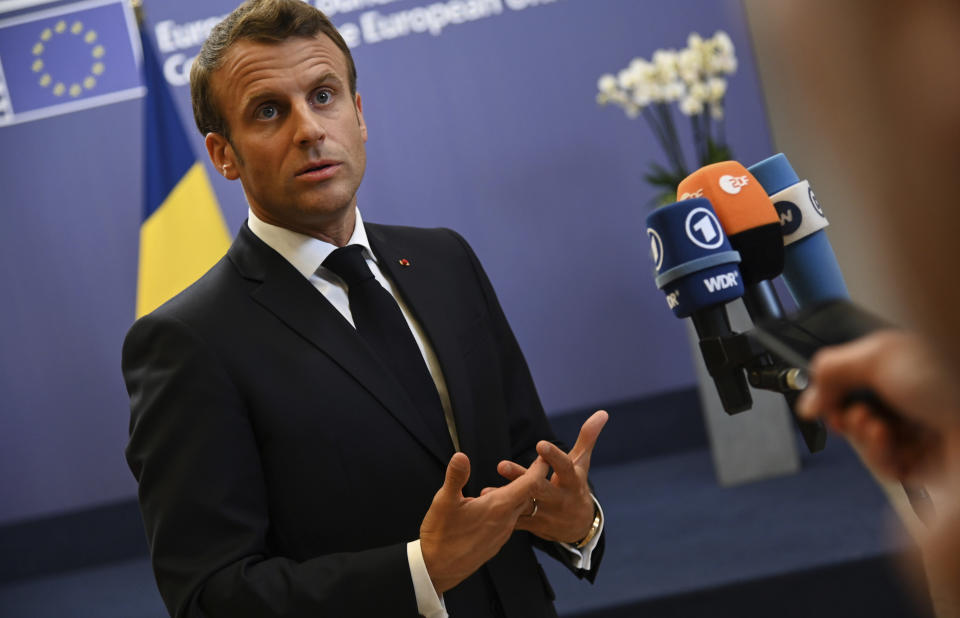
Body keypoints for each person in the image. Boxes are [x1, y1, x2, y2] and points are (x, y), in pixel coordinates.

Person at [122, 1, 606, 617]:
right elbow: (210, 597)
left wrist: (577, 521)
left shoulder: (445, 259)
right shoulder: (185, 342)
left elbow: (526, 460)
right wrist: (419, 573)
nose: (308, 129)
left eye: (323, 95)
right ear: (223, 154)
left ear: (358, 113)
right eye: (269, 111)